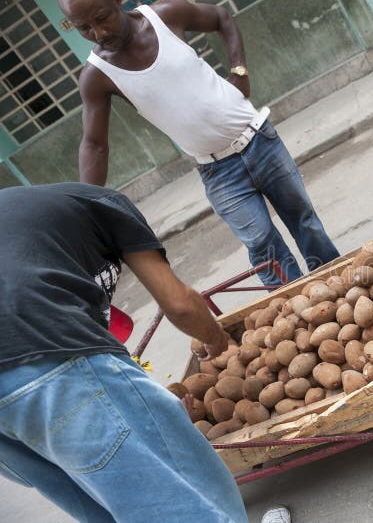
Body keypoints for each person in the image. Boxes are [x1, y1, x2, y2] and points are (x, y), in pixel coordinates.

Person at [0, 182, 253, 521]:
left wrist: (137, 400)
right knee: (191, 505)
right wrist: (216, 338)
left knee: (106, 507)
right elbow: (179, 304)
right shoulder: (108, 204)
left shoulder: (32, 221)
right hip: (40, 353)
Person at [58, 0, 340, 286]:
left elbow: (221, 17)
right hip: (218, 172)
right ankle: (294, 311)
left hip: (260, 140)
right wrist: (86, 206)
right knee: (261, 245)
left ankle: (335, 286)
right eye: (84, 28)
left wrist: (239, 69)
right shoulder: (97, 75)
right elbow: (94, 145)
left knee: (305, 222)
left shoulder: (166, 16)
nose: (99, 32)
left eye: (103, 19)